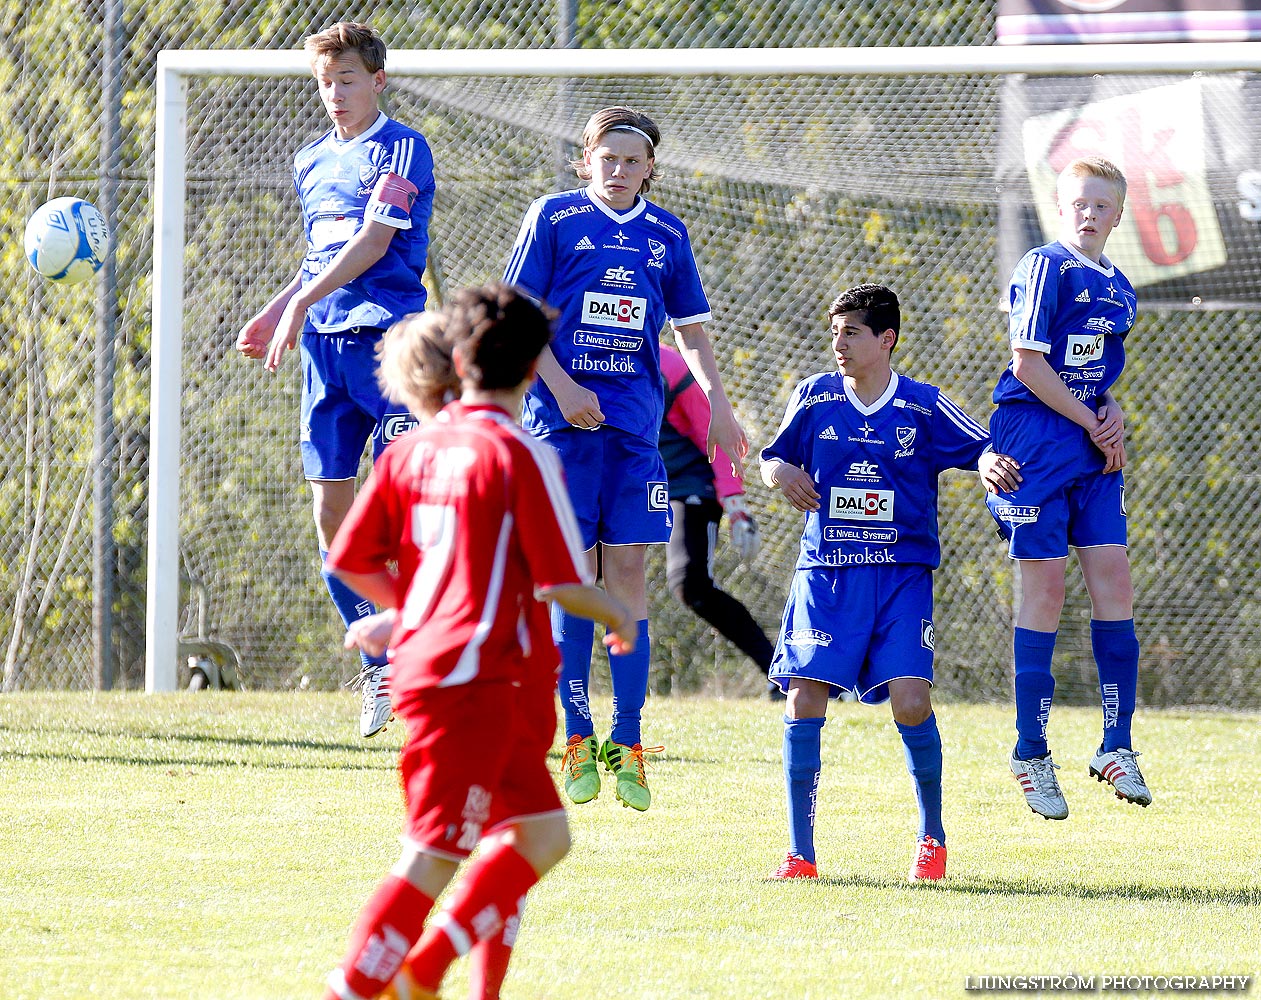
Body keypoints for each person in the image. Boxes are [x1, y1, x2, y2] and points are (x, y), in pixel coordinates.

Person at [321, 284, 635, 1000]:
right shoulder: (517, 453)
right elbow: (561, 584)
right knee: (431, 856)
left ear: (456, 362)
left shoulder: (414, 446)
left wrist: (417, 611)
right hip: (474, 681)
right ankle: (355, 990)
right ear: (533, 372)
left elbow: (348, 558)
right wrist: (616, 613)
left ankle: (425, 974)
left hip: (456, 672)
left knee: (544, 837)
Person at [502, 106, 748, 811]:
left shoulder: (667, 234)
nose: (617, 169)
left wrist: (720, 405)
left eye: (631, 160)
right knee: (572, 580)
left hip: (634, 434)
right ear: (585, 161)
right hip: (559, 430)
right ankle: (577, 736)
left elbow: (692, 332)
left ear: (650, 169)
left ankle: (629, 739)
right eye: (604, 158)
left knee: (629, 577)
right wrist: (562, 384)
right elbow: (516, 320)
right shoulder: (550, 219)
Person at [761, 283, 1021, 882]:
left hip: (901, 578)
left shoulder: (922, 407)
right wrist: (778, 473)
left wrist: (986, 464)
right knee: (804, 697)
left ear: (886, 339)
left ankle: (933, 839)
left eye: (851, 332)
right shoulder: (815, 398)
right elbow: (772, 456)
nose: (839, 343)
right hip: (827, 573)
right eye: (835, 332)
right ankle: (801, 854)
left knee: (911, 700)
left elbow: (982, 447)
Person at [236, 21, 436, 739]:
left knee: (400, 516)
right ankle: (380, 658)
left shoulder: (402, 147)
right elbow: (318, 252)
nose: (334, 94)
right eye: (324, 82)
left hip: (390, 348)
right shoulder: (309, 160)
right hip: (321, 348)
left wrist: (299, 302)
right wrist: (275, 309)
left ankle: (432, 653)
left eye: (346, 79)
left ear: (376, 81)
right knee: (332, 517)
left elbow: (372, 243)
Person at [987, 156, 1151, 821]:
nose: (1088, 213)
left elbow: (1090, 374)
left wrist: (1108, 414)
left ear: (1117, 214)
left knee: (1113, 582)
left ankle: (1116, 745)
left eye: (1101, 205)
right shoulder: (1042, 266)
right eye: (1078, 202)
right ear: (1061, 206)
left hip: (1087, 446)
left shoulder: (1120, 288)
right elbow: (1027, 363)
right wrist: (1090, 419)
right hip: (1034, 441)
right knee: (1046, 590)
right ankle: (1030, 751)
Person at [658, 341, 780, 699]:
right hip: (629, 487)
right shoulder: (587, 357)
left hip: (687, 486)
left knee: (691, 586)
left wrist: (736, 505)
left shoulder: (670, 365)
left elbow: (716, 435)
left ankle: (779, 674)